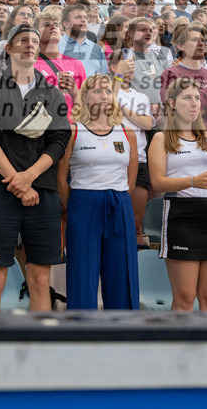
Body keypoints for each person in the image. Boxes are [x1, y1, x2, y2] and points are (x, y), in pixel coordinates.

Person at [0, 23, 71, 311]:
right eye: (22, 40)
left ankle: (38, 351)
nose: (30, 44)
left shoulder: (51, 93)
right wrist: (16, 180)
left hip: (42, 190)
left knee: (40, 279)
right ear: (8, 48)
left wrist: (29, 177)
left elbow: (59, 139)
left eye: (34, 41)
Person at [149, 78, 207, 311]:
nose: (194, 103)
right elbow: (158, 183)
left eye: (197, 98)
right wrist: (193, 181)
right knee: (185, 297)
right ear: (172, 103)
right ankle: (179, 347)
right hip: (181, 214)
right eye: (188, 97)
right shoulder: (161, 138)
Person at [57, 74, 139, 309]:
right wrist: (75, 206)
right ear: (84, 96)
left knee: (121, 271)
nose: (104, 96)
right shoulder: (74, 130)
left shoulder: (126, 132)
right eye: (97, 91)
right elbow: (61, 179)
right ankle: (82, 332)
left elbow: (130, 181)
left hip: (119, 202)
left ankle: (121, 331)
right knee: (83, 271)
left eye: (107, 91)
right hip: (83, 202)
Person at [108, 50, 157, 247]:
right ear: (113, 67)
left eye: (132, 65)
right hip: (114, 160)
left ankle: (136, 270)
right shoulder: (106, 90)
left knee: (137, 224)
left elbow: (147, 124)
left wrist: (126, 111)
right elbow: (109, 109)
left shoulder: (141, 96)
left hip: (140, 162)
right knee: (112, 220)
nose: (130, 69)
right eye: (125, 65)